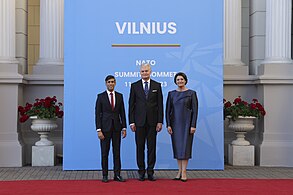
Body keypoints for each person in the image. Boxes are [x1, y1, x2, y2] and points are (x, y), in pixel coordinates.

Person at [128, 63, 163, 181]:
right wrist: (131, 122)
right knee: (140, 147)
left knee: (151, 148)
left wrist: (160, 121)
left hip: (153, 122)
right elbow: (131, 105)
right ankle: (141, 172)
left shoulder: (157, 85)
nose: (144, 73)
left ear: (150, 71)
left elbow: (160, 105)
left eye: (146, 71)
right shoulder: (134, 86)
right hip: (139, 123)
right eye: (142, 71)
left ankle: (150, 172)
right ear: (140, 72)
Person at [165, 72, 198, 182]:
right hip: (175, 124)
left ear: (185, 80)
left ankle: (184, 171)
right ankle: (179, 171)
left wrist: (193, 125)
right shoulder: (171, 94)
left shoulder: (192, 93)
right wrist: (168, 124)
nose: (180, 81)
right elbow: (167, 111)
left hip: (187, 124)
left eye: (182, 79)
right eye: (178, 79)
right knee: (177, 148)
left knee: (185, 147)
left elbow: (195, 111)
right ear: (175, 81)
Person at [95, 75, 127, 183]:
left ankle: (117, 175)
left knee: (117, 152)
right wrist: (98, 130)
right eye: (109, 82)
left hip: (117, 128)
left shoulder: (120, 96)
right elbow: (97, 114)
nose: (111, 83)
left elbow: (122, 112)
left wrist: (124, 127)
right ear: (106, 83)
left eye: (112, 82)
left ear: (115, 83)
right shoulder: (100, 96)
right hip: (104, 129)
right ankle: (105, 175)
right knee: (104, 153)